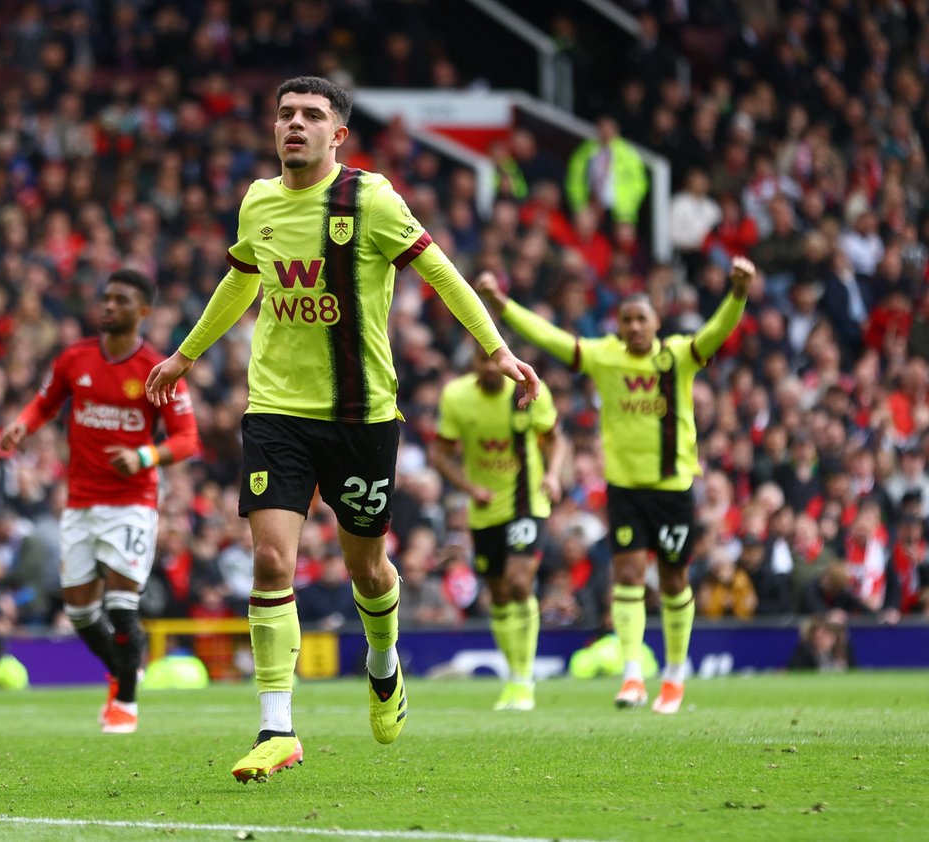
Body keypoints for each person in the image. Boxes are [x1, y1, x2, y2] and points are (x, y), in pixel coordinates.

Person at [145, 76, 540, 782]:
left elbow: (443, 274)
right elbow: (242, 280)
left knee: (366, 567)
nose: (295, 124)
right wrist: (185, 354)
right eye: (285, 114)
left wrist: (495, 347)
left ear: (339, 135)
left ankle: (383, 665)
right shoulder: (259, 201)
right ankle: (277, 728)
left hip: (361, 418)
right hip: (276, 410)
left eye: (311, 116)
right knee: (271, 561)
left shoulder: (372, 201)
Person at [476, 255, 756, 714]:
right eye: (625, 319)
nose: (632, 326)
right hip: (625, 489)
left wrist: (738, 294)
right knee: (625, 576)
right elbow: (556, 340)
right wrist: (503, 307)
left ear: (656, 323)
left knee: (672, 579)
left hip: (672, 488)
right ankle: (632, 675)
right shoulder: (606, 356)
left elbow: (716, 332)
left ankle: (675, 676)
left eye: (640, 319)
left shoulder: (679, 357)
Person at [0, 269, 198, 734]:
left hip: (132, 501)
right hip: (81, 501)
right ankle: (124, 664)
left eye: (121, 300)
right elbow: (45, 403)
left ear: (143, 311)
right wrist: (23, 425)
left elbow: (188, 439)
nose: (108, 306)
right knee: (79, 612)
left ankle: (125, 701)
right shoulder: (75, 358)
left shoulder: (157, 369)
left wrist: (145, 455)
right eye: (105, 298)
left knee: (122, 605)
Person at [430, 344, 567, 711]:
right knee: (500, 595)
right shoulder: (456, 397)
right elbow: (440, 453)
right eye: (481, 359)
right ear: (472, 363)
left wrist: (553, 475)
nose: (490, 367)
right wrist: (470, 488)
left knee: (520, 582)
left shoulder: (529, 388)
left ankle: (524, 679)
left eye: (495, 359)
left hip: (526, 503)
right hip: (485, 510)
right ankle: (515, 675)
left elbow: (554, 438)